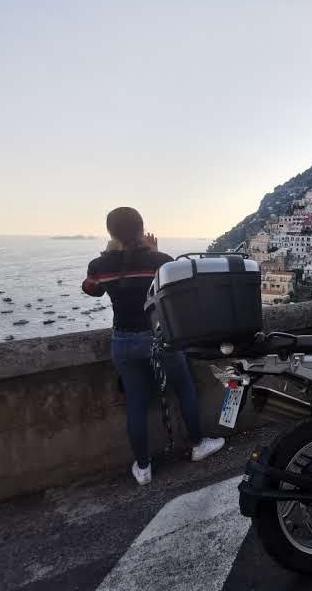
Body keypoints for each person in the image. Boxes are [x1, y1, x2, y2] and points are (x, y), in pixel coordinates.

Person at [82, 207, 224, 485]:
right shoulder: (160, 261)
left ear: (111, 233)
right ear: (142, 228)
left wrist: (107, 254)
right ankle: (197, 445)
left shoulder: (101, 266)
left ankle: (144, 468)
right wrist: (155, 252)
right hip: (160, 338)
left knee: (135, 402)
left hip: (123, 341)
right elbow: (174, 292)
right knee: (184, 388)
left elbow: (91, 289)